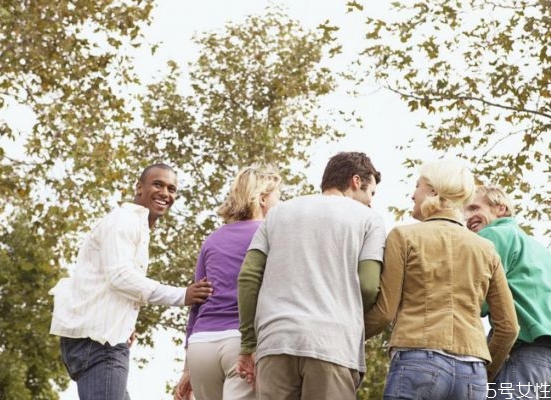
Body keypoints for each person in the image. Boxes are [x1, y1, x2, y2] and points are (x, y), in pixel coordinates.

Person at [49, 163, 213, 400]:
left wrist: (124, 322)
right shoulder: (124, 220)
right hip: (99, 344)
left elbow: (104, 281)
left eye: (172, 189)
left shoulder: (136, 225)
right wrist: (182, 295)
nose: (165, 193)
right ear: (139, 187)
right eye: (158, 184)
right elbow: (120, 276)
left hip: (103, 339)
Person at [364, 159, 519, 400]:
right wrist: (483, 372)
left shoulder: (403, 237)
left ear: (434, 192)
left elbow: (385, 312)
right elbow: (509, 327)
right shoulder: (486, 249)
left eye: (417, 186)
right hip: (472, 370)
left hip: (417, 359)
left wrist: (348, 335)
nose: (412, 195)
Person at [236, 151, 386, 400]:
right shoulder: (369, 219)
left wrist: (248, 344)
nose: (371, 202)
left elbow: (249, 277)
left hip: (276, 342)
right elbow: (369, 287)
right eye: (371, 193)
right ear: (356, 181)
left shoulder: (278, 213)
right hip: (333, 346)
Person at [173, 163, 282, 400]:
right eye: (277, 197)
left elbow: (197, 302)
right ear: (263, 199)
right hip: (241, 343)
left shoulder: (212, 240)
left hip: (201, 345)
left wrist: (187, 368)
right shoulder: (271, 233)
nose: (279, 204)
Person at [465, 185, 551, 400]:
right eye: (465, 212)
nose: (468, 217)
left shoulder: (493, 235)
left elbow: (475, 300)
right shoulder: (538, 248)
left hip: (521, 355)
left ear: (500, 209)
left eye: (475, 208)